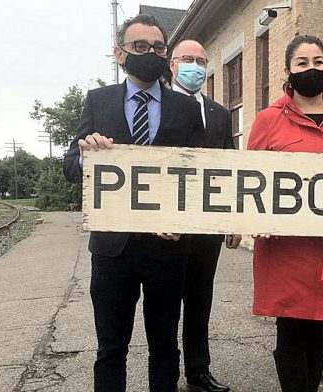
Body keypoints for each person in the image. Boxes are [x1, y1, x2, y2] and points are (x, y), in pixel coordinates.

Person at [63, 14, 205, 392]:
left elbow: (203, 177)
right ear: (120, 53)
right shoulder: (98, 101)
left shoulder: (187, 109)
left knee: (164, 346)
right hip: (112, 249)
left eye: (158, 48)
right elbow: (70, 167)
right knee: (110, 349)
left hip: (168, 249)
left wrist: (185, 222)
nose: (151, 53)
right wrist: (85, 156)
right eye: (140, 47)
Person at [246, 35, 323, 392]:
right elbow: (249, 181)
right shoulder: (267, 121)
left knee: (320, 331)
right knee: (292, 333)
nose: (311, 69)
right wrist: (256, 221)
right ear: (287, 71)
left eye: (318, 62)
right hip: (287, 250)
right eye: (302, 63)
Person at [168, 39, 242, 392]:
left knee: (199, 300)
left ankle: (198, 370)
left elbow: (229, 169)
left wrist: (233, 220)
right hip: (166, 226)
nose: (194, 66)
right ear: (172, 65)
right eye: (187, 59)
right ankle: (164, 370)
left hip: (208, 225)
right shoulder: (159, 106)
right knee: (165, 301)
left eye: (201, 60)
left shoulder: (218, 113)